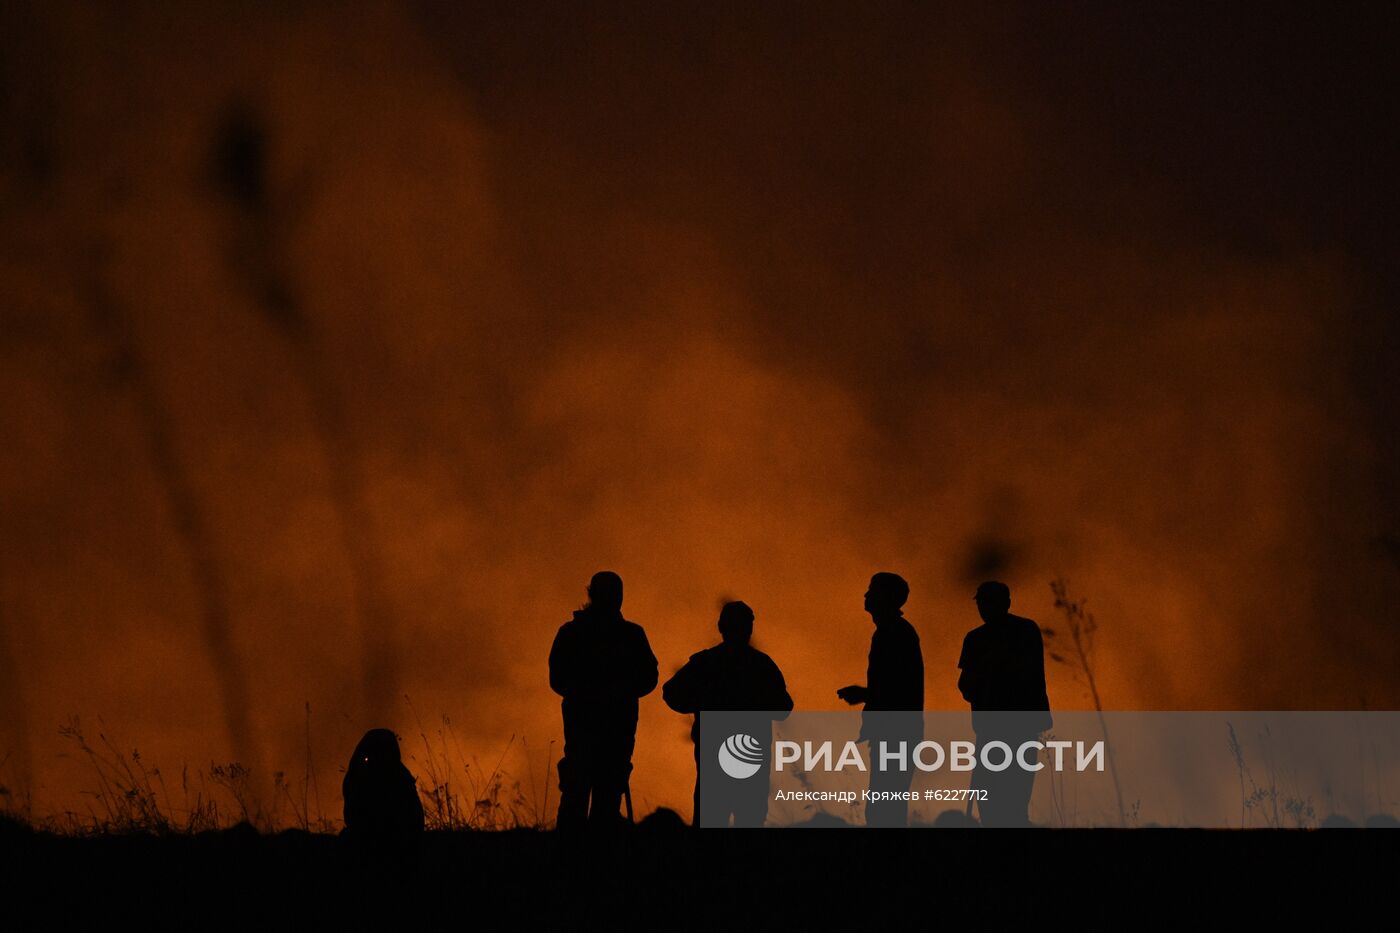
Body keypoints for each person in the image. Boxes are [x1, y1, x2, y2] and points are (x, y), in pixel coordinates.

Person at [662, 601, 793, 827]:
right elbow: (783, 708)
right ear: (749, 629)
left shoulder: (706, 663)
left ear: (720, 626)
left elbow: (672, 693)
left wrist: (702, 704)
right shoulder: (761, 666)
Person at [548, 571, 658, 829]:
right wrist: (603, 693)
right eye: (610, 594)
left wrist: (617, 691)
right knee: (583, 793)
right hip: (594, 727)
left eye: (615, 594)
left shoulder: (625, 635)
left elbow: (649, 676)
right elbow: (558, 678)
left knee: (600, 795)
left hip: (607, 728)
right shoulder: (580, 634)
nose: (613, 599)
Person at [957, 580, 1052, 827]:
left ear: (1005, 604)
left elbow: (967, 685)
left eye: (988, 602)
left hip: (1008, 731)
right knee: (1004, 802)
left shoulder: (987, 638)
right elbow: (966, 685)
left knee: (1004, 802)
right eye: (982, 602)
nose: (984, 608)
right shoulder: (1021, 631)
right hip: (1005, 731)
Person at [837, 572, 924, 827]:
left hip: (896, 733)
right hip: (895, 732)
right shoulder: (892, 632)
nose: (866, 595)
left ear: (885, 598)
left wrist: (864, 694)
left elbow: (900, 689)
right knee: (885, 806)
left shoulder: (895, 633)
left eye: (872, 590)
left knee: (884, 810)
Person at [341, 728, 425, 845]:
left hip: (397, 836)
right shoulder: (361, 773)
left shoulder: (399, 775)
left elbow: (414, 817)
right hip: (391, 836)